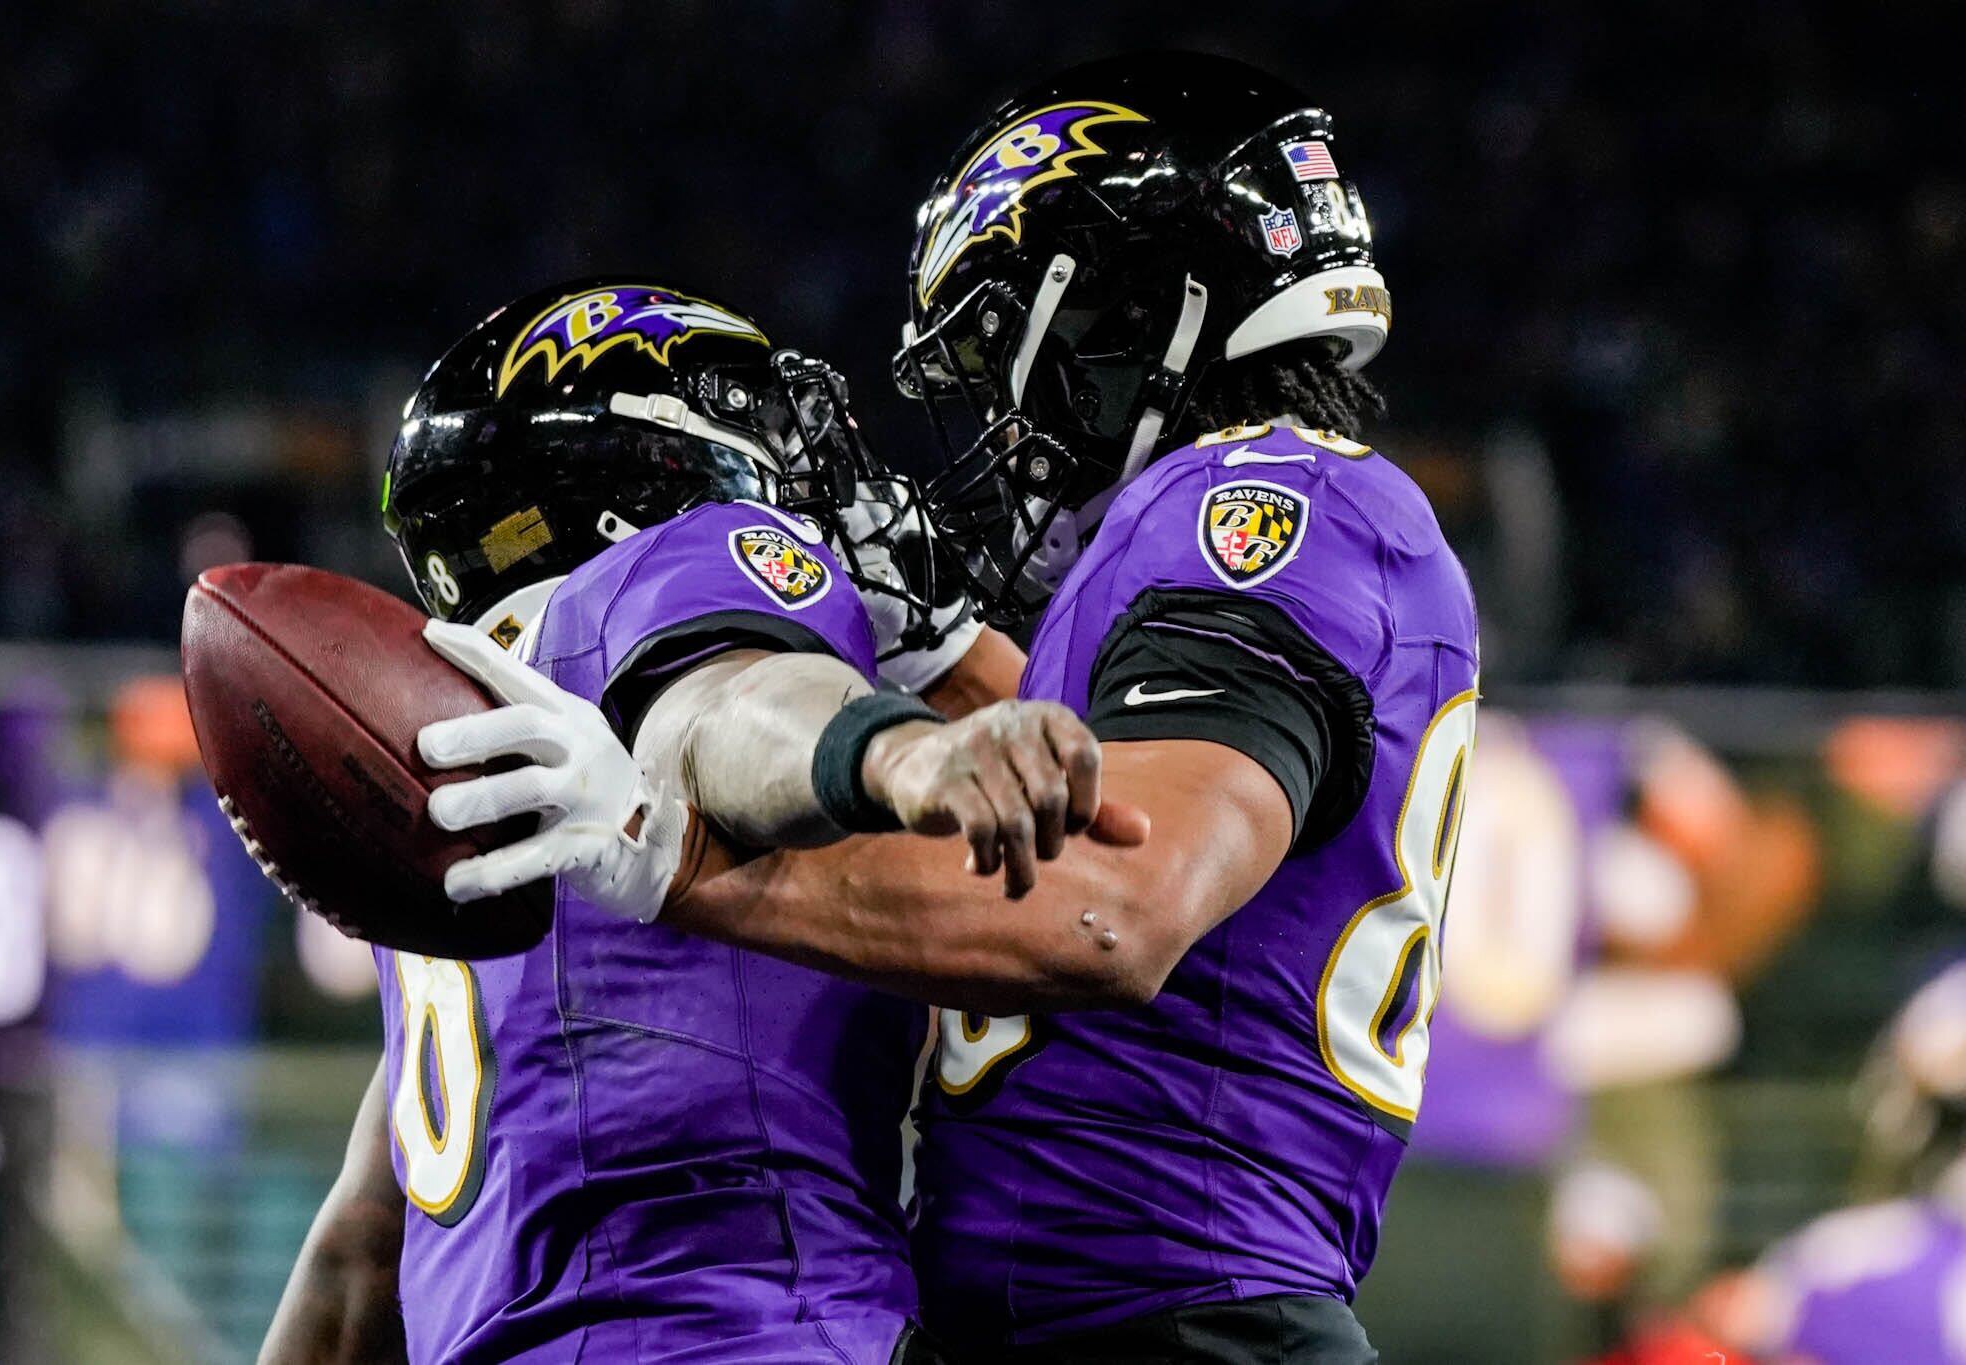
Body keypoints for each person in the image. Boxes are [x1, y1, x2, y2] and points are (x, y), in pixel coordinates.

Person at [427, 52, 1477, 1362]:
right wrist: (943, 646)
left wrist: (678, 860)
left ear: (1130, 306)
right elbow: (1097, 782)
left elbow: (1109, 907)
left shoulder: (1258, 497)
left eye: (1000, 351)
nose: (1000, 417)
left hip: (1172, 1317)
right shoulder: (1217, 528)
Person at [258, 276, 1132, 1364]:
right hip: (743, 1330)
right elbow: (722, 707)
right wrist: (892, 751)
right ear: (652, 455)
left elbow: (358, 1251)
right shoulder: (662, 577)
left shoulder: (453, 766)